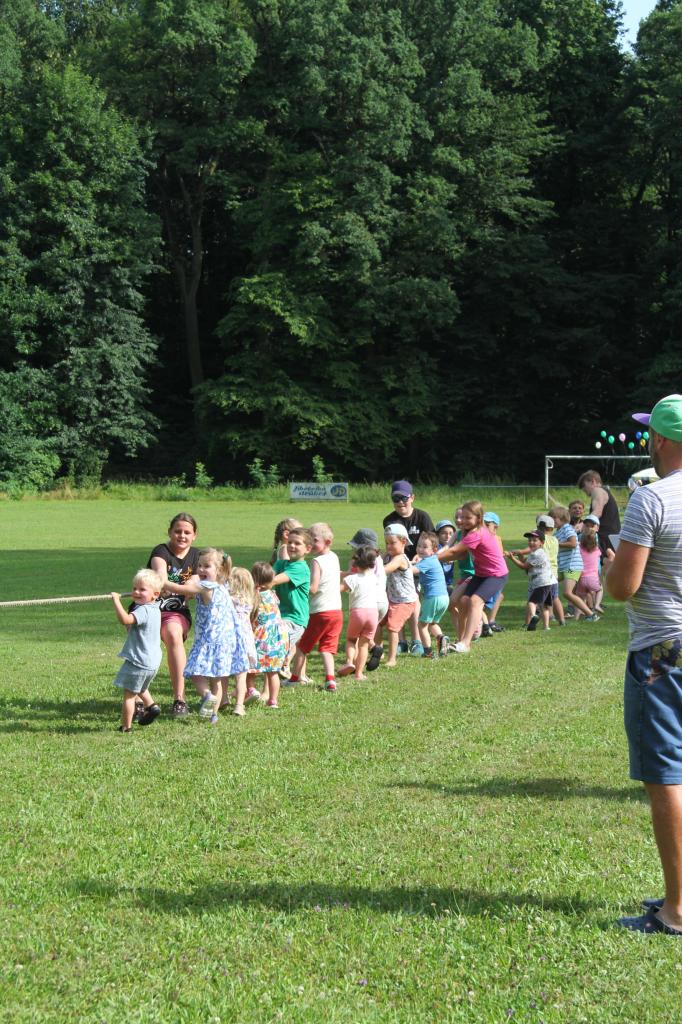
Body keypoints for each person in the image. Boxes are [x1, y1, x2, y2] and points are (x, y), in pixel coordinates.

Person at [607, 393, 682, 935]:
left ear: (658, 438)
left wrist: (614, 563)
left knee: (668, 777)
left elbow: (622, 587)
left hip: (663, 653)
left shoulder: (651, 498)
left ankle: (677, 911)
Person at [163, 548, 251, 724]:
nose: (201, 569)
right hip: (225, 642)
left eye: (207, 566)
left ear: (219, 569)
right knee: (216, 680)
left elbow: (181, 588)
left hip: (208, 641)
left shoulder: (205, 586)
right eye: (199, 566)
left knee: (194, 673)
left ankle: (206, 695)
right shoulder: (222, 586)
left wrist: (162, 583)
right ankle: (213, 715)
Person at [437, 501, 508, 653]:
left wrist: (430, 560)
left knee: (475, 601)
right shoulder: (468, 532)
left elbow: (454, 551)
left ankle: (466, 643)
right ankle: (461, 641)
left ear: (478, 518)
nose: (463, 520)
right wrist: (439, 558)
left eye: (468, 518)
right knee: (463, 601)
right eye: (462, 517)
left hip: (496, 574)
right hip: (481, 574)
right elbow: (460, 554)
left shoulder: (477, 533)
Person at [147, 512, 200, 717]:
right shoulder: (161, 551)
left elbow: (194, 584)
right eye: (178, 531)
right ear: (170, 532)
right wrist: (184, 589)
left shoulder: (196, 556)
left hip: (175, 611)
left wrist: (183, 588)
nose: (182, 536)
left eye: (187, 532)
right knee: (143, 648)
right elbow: (160, 577)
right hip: (149, 609)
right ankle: (139, 699)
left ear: (194, 535)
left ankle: (180, 699)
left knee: (173, 634)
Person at [382, 480, 434, 655]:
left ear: (412, 497)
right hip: (396, 565)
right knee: (395, 601)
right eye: (396, 499)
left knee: (413, 600)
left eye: (404, 498)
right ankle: (401, 641)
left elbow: (431, 541)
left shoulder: (422, 517)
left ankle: (416, 640)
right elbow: (391, 543)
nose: (400, 502)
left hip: (416, 566)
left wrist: (421, 555)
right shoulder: (389, 520)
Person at [289, 522, 342, 691]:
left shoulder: (316, 561)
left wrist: (300, 586)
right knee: (327, 648)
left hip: (320, 611)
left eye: (315, 540)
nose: (311, 543)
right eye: (309, 539)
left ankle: (294, 678)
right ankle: (330, 680)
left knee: (302, 647)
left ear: (328, 542)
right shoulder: (334, 557)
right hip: (336, 612)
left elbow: (313, 588)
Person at [111, 569, 163, 732]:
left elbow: (125, 620)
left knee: (129, 695)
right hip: (152, 662)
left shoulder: (143, 610)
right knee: (140, 687)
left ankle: (126, 727)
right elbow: (133, 627)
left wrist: (116, 601)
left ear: (155, 594)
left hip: (139, 661)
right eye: (134, 588)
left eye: (142, 589)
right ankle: (151, 706)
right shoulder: (155, 609)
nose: (136, 592)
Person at [374, 523, 419, 668]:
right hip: (392, 599)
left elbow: (385, 570)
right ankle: (378, 651)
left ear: (403, 541)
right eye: (386, 543)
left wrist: (368, 570)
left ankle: (392, 659)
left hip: (405, 601)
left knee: (393, 627)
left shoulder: (400, 558)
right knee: (377, 623)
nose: (388, 546)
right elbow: (377, 561)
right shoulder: (389, 555)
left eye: (392, 543)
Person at [272, 527, 313, 677]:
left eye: (297, 543)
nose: (292, 546)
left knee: (275, 649)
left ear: (308, 549)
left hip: (295, 619)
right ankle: (286, 670)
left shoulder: (301, 568)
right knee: (273, 647)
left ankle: (283, 665)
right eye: (290, 542)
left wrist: (253, 582)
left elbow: (273, 580)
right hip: (280, 616)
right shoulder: (281, 564)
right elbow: (269, 575)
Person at [250, 561, 289, 710]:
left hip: (262, 639)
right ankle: (273, 700)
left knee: (250, 670)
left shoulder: (254, 597)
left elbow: (251, 617)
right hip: (278, 639)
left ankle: (250, 690)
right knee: (273, 673)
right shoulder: (273, 595)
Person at [550, 506, 599, 621]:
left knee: (567, 593)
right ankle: (551, 615)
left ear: (561, 518)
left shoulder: (567, 528)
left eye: (553, 518)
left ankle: (591, 614)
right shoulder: (557, 533)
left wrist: (556, 544)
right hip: (563, 567)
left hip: (572, 566)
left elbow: (572, 544)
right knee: (547, 586)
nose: (551, 521)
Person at [338, 545, 379, 680]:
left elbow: (340, 589)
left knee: (351, 640)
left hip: (358, 613)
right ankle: (359, 674)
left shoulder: (352, 579)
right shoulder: (374, 577)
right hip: (373, 614)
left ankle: (350, 662)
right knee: (364, 645)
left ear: (355, 562)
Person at [227, 567, 259, 715]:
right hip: (246, 642)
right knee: (241, 676)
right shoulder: (250, 599)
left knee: (224, 673)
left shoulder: (229, 599)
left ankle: (223, 699)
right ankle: (239, 706)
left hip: (231, 640)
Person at [413, 531, 450, 657]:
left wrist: (400, 565)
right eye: (419, 546)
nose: (420, 549)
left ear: (434, 550)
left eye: (424, 547)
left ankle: (427, 651)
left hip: (432, 598)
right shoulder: (433, 559)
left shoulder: (426, 561)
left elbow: (412, 571)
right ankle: (441, 638)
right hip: (444, 598)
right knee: (432, 623)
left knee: (421, 625)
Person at [507, 532, 553, 631]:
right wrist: (520, 554)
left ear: (542, 543)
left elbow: (524, 566)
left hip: (541, 583)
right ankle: (546, 627)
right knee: (544, 605)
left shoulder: (537, 554)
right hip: (546, 582)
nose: (531, 542)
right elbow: (525, 561)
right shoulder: (537, 553)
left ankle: (533, 616)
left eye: (535, 540)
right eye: (529, 540)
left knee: (532, 602)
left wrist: (512, 558)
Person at [577, 470, 621, 555]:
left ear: (593, 481)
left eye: (583, 485)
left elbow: (597, 511)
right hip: (611, 538)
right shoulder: (605, 491)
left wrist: (583, 524)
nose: (583, 490)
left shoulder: (597, 490)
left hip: (605, 539)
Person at [535, 513, 565, 626]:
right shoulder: (555, 540)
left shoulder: (540, 540)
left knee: (541, 599)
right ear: (552, 528)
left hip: (543, 573)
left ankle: (545, 620)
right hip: (554, 573)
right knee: (555, 597)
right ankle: (562, 620)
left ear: (538, 527)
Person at [481, 512, 505, 634]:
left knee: (492, 598)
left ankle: (488, 623)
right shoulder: (482, 537)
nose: (483, 527)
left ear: (495, 526)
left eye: (487, 524)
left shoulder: (496, 539)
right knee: (483, 600)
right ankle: (486, 623)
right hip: (485, 573)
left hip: (494, 575)